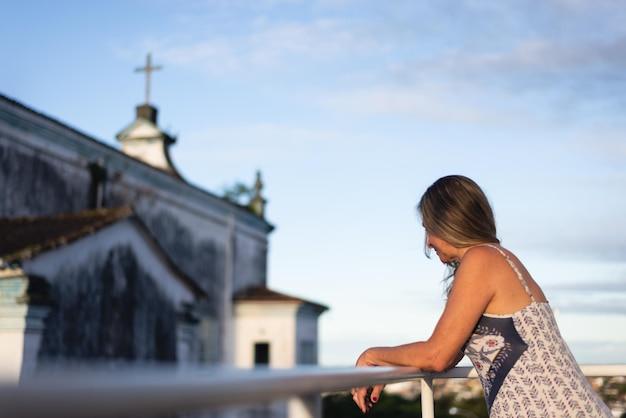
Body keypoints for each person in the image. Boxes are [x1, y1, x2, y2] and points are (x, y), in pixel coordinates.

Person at [352, 175, 611, 417]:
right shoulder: (494, 260)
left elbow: (437, 355)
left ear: (447, 222)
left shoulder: (482, 260)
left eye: (428, 229)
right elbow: (449, 354)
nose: (428, 242)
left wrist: (371, 355)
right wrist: (390, 369)